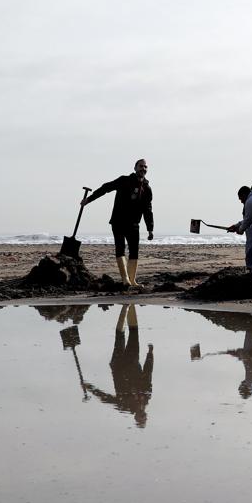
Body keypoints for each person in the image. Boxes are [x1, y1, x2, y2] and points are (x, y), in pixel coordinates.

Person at [83, 159, 154, 289]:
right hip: (118, 221)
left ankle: (133, 281)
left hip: (134, 224)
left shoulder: (147, 189)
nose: (143, 169)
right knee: (120, 248)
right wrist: (89, 199)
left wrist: (150, 228)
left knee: (134, 251)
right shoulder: (124, 180)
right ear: (135, 168)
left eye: (145, 167)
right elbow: (106, 188)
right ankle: (125, 280)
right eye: (140, 166)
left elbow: (147, 209)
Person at [83, 304, 154, 427]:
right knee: (133, 334)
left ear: (136, 417)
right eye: (143, 416)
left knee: (119, 336)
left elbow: (106, 398)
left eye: (140, 417)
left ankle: (126, 307)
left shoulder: (124, 406)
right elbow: (148, 373)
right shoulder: (146, 396)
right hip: (132, 361)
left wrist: (91, 388)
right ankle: (130, 305)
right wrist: (150, 354)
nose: (141, 414)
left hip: (118, 364)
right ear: (145, 414)